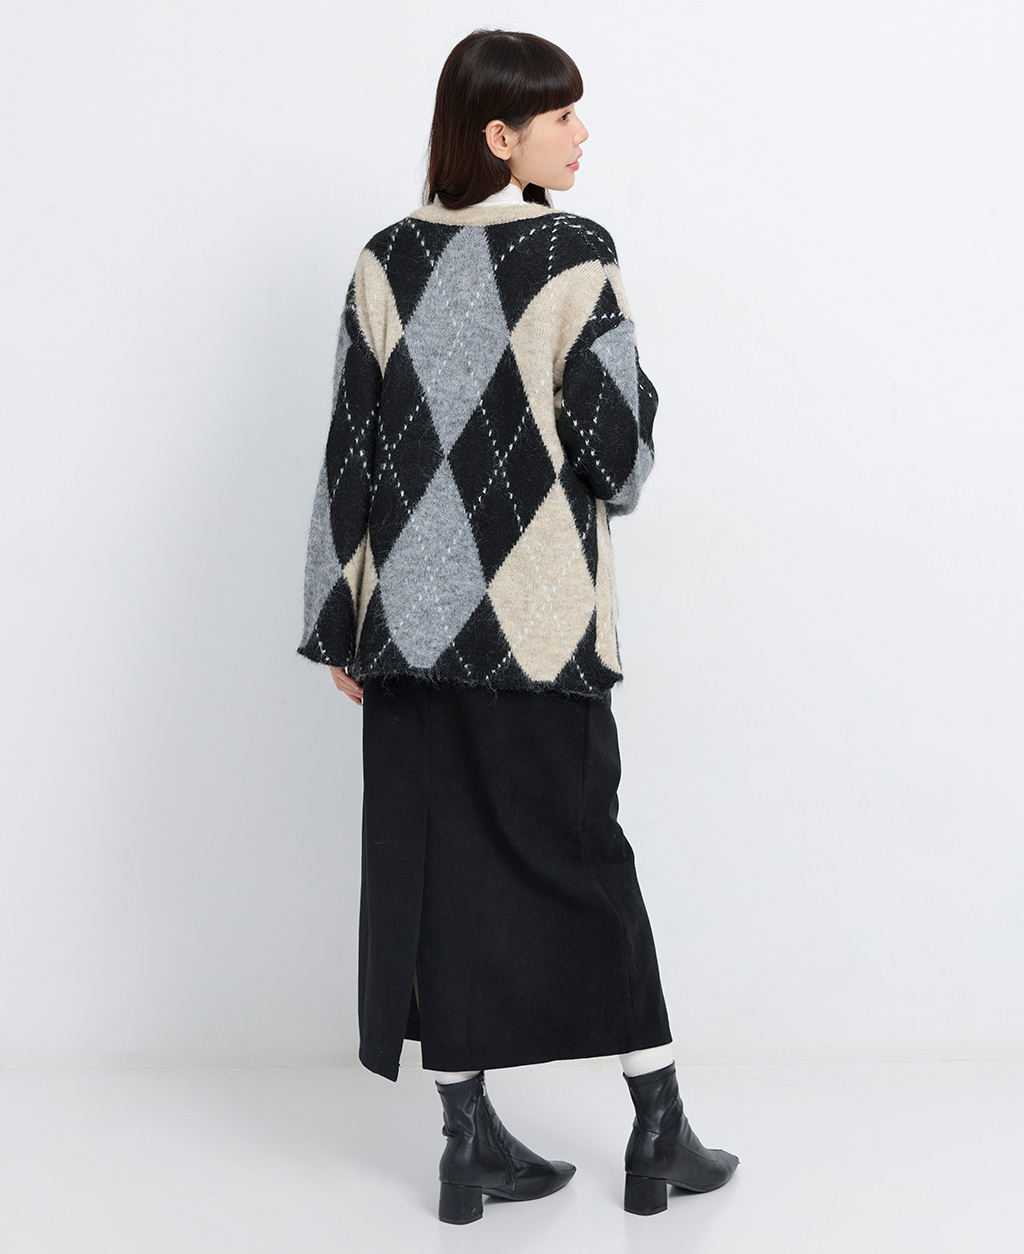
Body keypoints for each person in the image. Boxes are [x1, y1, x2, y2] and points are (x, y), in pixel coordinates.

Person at [297, 27, 739, 1224]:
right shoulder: (572, 250)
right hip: (537, 625)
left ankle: (466, 1144)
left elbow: (350, 448)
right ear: (501, 135)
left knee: (431, 870)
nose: (581, 135)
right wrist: (637, 396)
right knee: (583, 856)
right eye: (561, 117)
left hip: (405, 633)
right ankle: (657, 1126)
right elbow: (612, 451)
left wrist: (341, 622)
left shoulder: (385, 258)